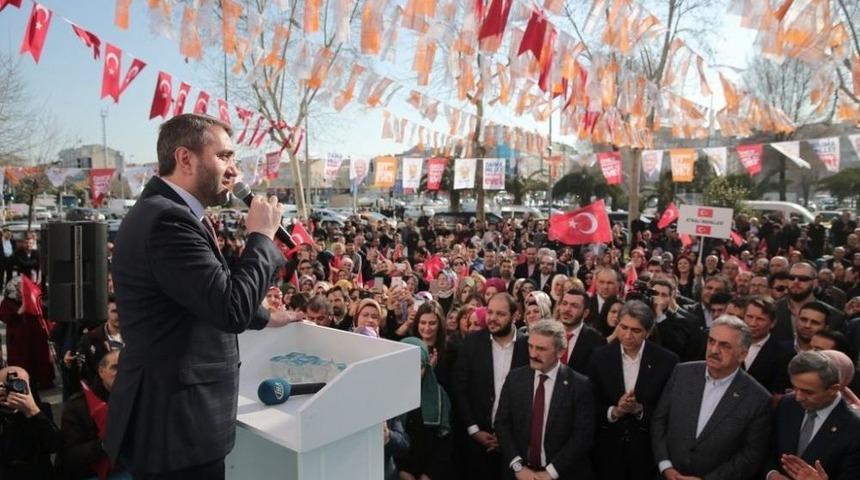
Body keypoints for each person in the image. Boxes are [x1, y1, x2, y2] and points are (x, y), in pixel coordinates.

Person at [105, 114, 296, 479]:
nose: (234, 172)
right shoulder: (168, 221)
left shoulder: (167, 213)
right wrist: (261, 237)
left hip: (173, 422)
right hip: (176, 427)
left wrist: (267, 316)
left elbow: (199, 293)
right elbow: (228, 308)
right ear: (185, 159)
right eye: (224, 156)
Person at [651, 316, 772, 480]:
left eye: (725, 346)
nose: (714, 350)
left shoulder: (758, 399)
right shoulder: (682, 373)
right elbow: (659, 420)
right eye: (711, 341)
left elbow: (750, 456)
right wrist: (666, 467)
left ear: (742, 354)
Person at [586, 301, 679, 480]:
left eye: (635, 330)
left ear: (648, 331)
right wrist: (614, 411)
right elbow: (589, 403)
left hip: (646, 456)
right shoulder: (599, 357)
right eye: (623, 327)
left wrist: (639, 410)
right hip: (606, 454)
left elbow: (669, 411)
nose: (627, 335)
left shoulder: (667, 361)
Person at [494, 319, 595, 479]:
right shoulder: (515, 378)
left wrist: (551, 472)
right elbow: (502, 423)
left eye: (541, 349)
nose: (533, 354)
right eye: (530, 346)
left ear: (560, 352)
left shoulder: (579, 385)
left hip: (563, 474)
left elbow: (582, 436)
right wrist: (517, 466)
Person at [452, 292, 529, 480]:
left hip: (516, 446)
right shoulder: (472, 343)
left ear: (515, 315)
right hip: (477, 442)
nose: (493, 318)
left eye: (501, 314)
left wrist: (509, 438)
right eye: (490, 312)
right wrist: (474, 430)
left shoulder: (527, 347)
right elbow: (460, 389)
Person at [767, 351, 860, 480]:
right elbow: (769, 450)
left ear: (833, 389)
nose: (798, 397)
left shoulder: (854, 427)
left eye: (808, 392)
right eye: (795, 388)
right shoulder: (787, 404)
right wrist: (772, 474)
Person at [60, 350, 126, 480]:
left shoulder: (142, 398)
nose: (122, 372)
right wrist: (105, 444)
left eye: (126, 367)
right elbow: (70, 455)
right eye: (115, 367)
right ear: (101, 372)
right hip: (92, 473)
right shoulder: (78, 406)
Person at [397, 337, 454, 480]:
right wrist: (401, 471)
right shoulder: (388, 395)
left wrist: (428, 475)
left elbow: (445, 441)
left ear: (426, 367)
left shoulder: (438, 394)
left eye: (419, 366)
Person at [0, 365, 62, 479]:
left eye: (20, 384)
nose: (15, 388)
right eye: (9, 384)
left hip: (38, 472)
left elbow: (54, 445)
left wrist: (33, 411)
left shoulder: (39, 409)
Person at [742, 296, 792, 394]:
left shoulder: (783, 355)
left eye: (760, 319)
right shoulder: (730, 343)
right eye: (749, 317)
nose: (753, 323)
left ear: (772, 323)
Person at [555, 288, 606, 374]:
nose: (567, 309)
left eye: (574, 306)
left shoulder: (596, 341)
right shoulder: (546, 333)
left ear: (585, 313)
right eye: (564, 303)